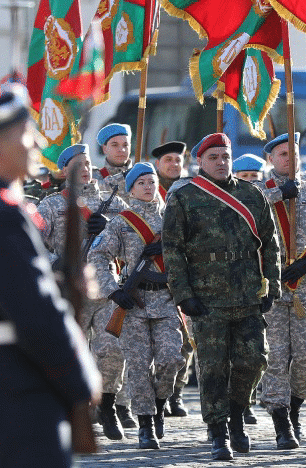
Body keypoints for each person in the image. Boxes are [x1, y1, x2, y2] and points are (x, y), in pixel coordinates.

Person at [0, 84, 100, 468]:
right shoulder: (0, 214)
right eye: (27, 135)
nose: (34, 144)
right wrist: (81, 382)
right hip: (16, 394)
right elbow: (36, 316)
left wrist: (60, 279)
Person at [162, 132, 281, 460]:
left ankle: (237, 412)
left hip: (247, 294)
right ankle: (219, 431)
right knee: (212, 367)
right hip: (207, 296)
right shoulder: (185, 197)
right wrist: (183, 294)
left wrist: (273, 285)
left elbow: (270, 243)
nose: (221, 163)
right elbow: (171, 250)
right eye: (213, 157)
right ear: (200, 161)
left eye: (225, 157)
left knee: (255, 359)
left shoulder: (251, 194)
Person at [37, 143, 132, 439]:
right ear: (65, 171)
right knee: (72, 354)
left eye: (89, 163)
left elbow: (135, 235)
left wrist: (110, 226)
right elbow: (34, 245)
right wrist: (59, 265)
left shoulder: (113, 202)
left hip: (106, 289)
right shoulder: (51, 205)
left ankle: (107, 406)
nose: (86, 169)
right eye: (79, 164)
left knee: (112, 351)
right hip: (70, 290)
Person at [88, 162, 186, 448]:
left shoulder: (173, 218)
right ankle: (145, 424)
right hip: (134, 302)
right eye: (141, 182)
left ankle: (159, 403)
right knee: (139, 366)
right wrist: (113, 292)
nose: (148, 186)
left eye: (151, 181)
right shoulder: (122, 221)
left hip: (167, 299)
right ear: (131, 189)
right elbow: (97, 257)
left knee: (171, 359)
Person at [257, 132, 306, 449]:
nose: (290, 159)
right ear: (271, 159)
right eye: (283, 154)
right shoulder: (255, 193)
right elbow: (244, 227)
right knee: (275, 358)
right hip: (270, 288)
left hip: (305, 287)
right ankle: (282, 423)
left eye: (295, 153)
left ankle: (297, 408)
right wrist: (275, 196)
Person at [151, 139, 191, 417]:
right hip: (154, 275)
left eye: (178, 160)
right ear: (157, 165)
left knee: (185, 341)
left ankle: (176, 393)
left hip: (184, 273)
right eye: (168, 160)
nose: (174, 165)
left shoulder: (190, 190)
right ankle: (154, 395)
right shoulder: (147, 190)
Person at [232, 151, 268, 426]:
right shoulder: (226, 205)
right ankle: (230, 409)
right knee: (228, 353)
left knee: (255, 353)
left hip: (260, 285)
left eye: (254, 178)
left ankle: (247, 400)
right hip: (231, 287)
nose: (249, 182)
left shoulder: (266, 206)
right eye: (243, 177)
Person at [96, 123, 133, 199]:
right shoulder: (94, 178)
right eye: (115, 145)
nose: (121, 150)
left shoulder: (145, 178)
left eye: (125, 145)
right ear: (105, 149)